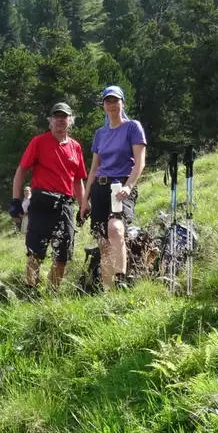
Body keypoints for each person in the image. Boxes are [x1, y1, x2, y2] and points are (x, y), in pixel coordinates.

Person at [9, 102, 87, 288]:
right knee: (35, 251)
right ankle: (31, 291)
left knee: (63, 254)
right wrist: (15, 200)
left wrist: (84, 205)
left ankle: (53, 293)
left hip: (66, 204)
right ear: (50, 121)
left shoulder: (75, 147)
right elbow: (21, 171)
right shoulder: (39, 141)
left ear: (70, 120)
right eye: (56, 116)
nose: (60, 120)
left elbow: (78, 180)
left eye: (64, 116)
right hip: (42, 201)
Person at [81, 86, 147, 290]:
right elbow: (93, 170)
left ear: (122, 103)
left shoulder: (132, 127)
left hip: (121, 186)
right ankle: (108, 292)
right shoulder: (100, 134)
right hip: (100, 189)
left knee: (115, 228)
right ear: (103, 106)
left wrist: (128, 188)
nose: (111, 105)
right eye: (107, 101)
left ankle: (121, 280)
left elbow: (140, 163)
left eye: (115, 100)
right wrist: (84, 200)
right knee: (102, 241)